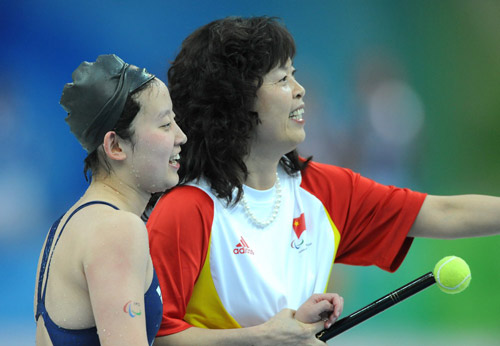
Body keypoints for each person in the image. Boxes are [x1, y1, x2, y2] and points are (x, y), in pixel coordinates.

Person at [146, 16, 500, 345]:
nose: (300, 90)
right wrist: (263, 337)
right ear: (235, 102)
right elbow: (154, 336)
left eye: (294, 75)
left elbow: (445, 211)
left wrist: (289, 327)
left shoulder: (325, 190)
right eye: (282, 79)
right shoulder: (184, 211)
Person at [34, 54, 187, 345]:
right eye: (166, 124)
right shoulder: (117, 230)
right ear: (115, 146)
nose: (182, 137)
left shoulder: (66, 225)